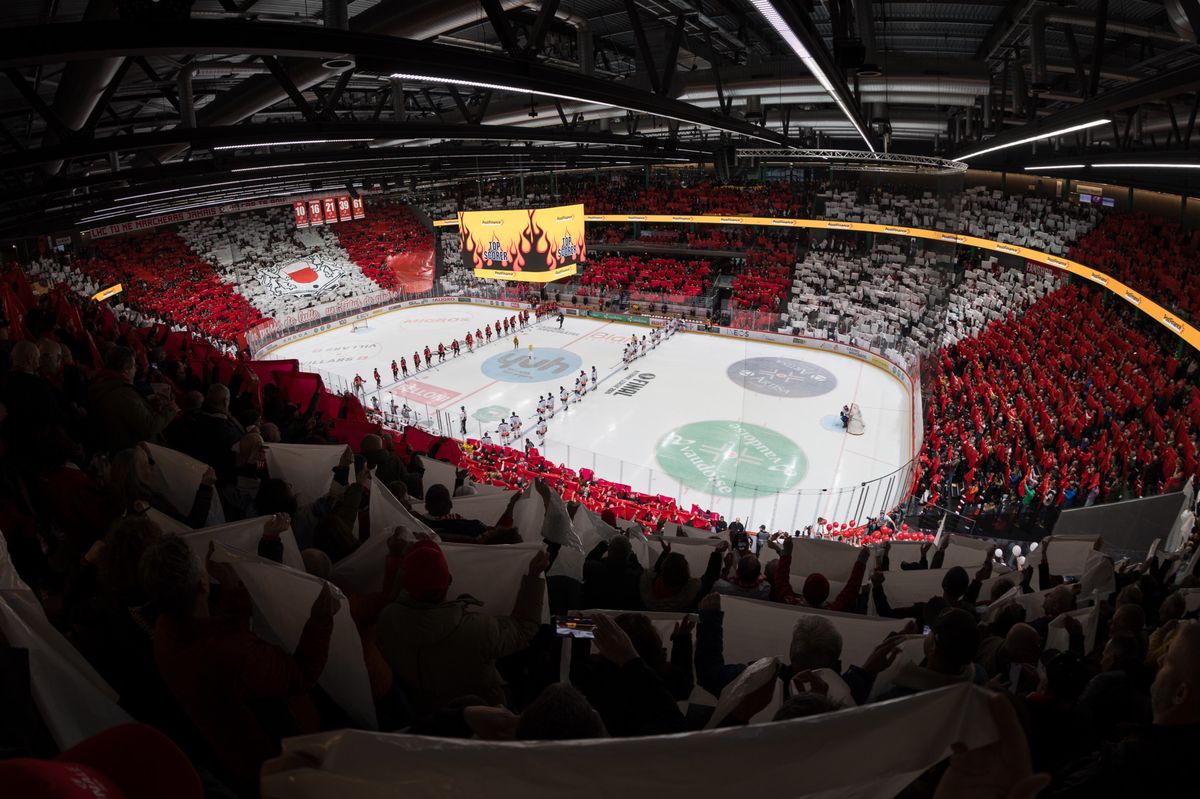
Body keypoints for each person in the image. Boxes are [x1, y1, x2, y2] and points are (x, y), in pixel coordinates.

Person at [139, 535, 338, 790]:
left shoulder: (165, 632)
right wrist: (320, 622)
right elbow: (301, 674)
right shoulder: (232, 655)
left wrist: (232, 587)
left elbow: (224, 637)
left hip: (238, 760)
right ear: (202, 582)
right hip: (284, 757)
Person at [375, 541, 549, 714]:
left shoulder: (386, 620)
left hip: (420, 717)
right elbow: (524, 628)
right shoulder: (478, 629)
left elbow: (397, 599)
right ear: (449, 580)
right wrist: (533, 577)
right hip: (480, 718)